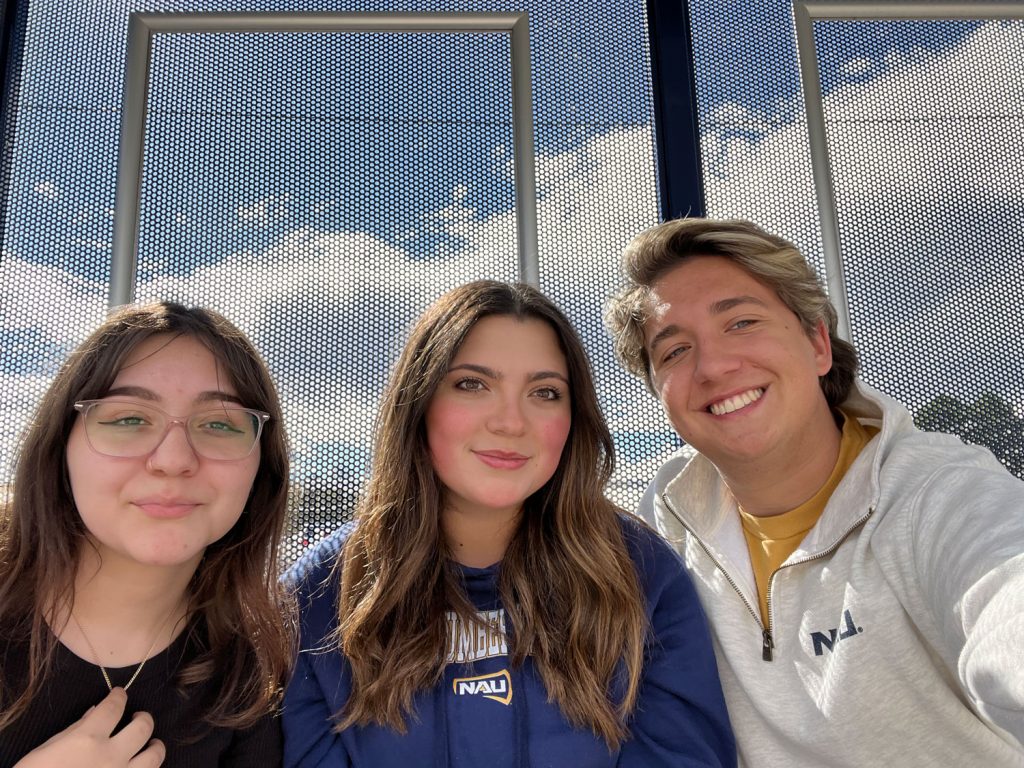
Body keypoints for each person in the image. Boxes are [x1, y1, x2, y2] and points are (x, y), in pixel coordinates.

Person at [604, 217, 1024, 766]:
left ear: (818, 343)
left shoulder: (935, 493)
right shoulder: (663, 522)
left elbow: (1004, 593)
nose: (713, 366)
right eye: (675, 351)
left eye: (741, 322)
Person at [282, 280, 735, 767]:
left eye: (545, 392)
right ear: (419, 403)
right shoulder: (319, 595)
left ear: (573, 417)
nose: (511, 422)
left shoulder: (642, 575)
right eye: (472, 384)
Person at [0, 302, 295, 767]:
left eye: (219, 424)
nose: (174, 459)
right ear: (61, 446)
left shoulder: (254, 678)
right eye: (129, 419)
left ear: (261, 469)